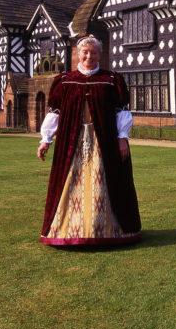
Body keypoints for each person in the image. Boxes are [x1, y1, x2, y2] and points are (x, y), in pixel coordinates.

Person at [36, 35, 141, 246]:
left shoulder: (111, 80)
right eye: (85, 52)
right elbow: (55, 112)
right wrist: (46, 140)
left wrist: (122, 138)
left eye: (93, 52)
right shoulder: (65, 80)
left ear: (99, 55)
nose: (89, 56)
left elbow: (121, 112)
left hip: (104, 142)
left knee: (103, 182)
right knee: (72, 181)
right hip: (71, 142)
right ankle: (67, 230)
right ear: (77, 53)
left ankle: (105, 230)